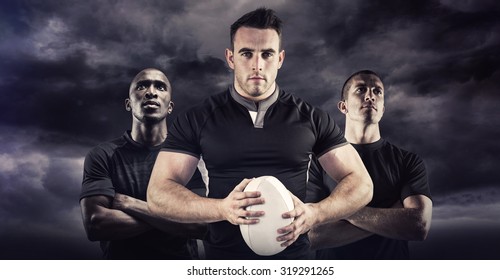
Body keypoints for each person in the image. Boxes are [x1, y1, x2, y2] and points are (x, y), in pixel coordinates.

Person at [146, 8, 373, 260]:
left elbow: (362, 184)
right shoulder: (198, 118)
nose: (257, 65)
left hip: (294, 264)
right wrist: (222, 209)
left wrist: (316, 213)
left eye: (267, 54)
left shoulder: (311, 117)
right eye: (246, 53)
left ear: (280, 59)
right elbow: (158, 193)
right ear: (230, 58)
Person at [79, 68, 207, 259]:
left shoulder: (183, 160)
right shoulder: (103, 156)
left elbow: (198, 225)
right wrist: (172, 218)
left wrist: (130, 204)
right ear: (128, 104)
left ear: (169, 106)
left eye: (160, 87)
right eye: (142, 86)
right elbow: (95, 224)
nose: (151, 92)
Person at [308, 70, 433, 259]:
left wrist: (335, 209)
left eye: (377, 91)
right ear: (343, 107)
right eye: (360, 90)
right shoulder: (320, 163)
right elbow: (313, 235)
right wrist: (394, 216)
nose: (370, 96)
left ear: (382, 108)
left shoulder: (408, 162)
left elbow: (418, 225)